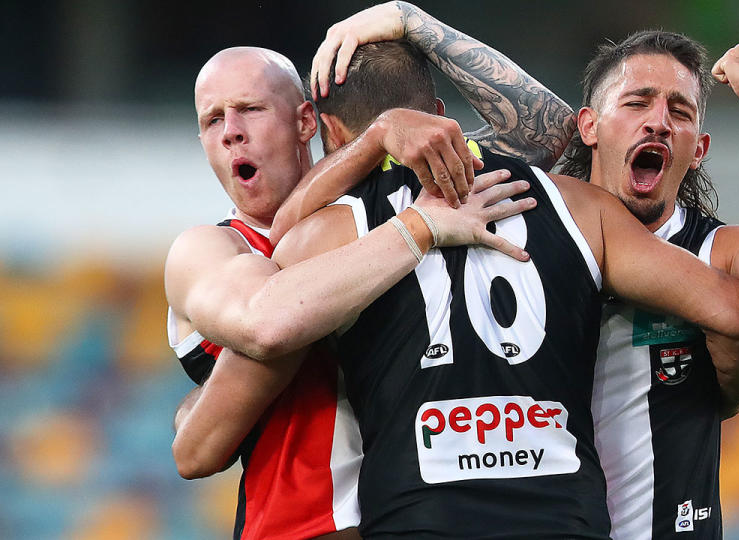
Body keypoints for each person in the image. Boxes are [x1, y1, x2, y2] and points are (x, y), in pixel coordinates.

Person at [267, 25, 739, 538]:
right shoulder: (579, 205)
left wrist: (377, 151)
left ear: (330, 134)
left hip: (420, 518)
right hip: (560, 519)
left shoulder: (334, 227)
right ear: (443, 118)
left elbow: (268, 303)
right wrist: (725, 397)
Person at [166, 45, 544, 539]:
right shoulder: (209, 249)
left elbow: (549, 134)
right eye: (213, 120)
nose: (231, 130)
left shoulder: (386, 209)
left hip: (427, 516)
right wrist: (411, 208)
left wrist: (416, 26)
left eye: (250, 109)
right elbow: (266, 321)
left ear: (307, 122)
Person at [557, 31, 739, 538]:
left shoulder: (716, 251)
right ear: (589, 127)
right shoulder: (539, 231)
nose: (658, 121)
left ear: (698, 148)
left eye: (680, 113)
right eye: (637, 102)